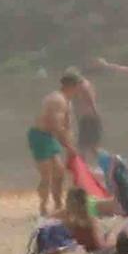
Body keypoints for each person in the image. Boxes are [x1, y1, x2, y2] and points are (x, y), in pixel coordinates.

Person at [28, 71, 80, 216]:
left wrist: (71, 144)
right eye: (78, 86)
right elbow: (55, 125)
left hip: (49, 137)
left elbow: (66, 126)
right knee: (46, 175)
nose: (79, 90)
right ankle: (43, 206)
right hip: (40, 136)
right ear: (71, 86)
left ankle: (58, 204)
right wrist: (69, 147)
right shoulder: (57, 100)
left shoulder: (66, 100)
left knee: (59, 172)